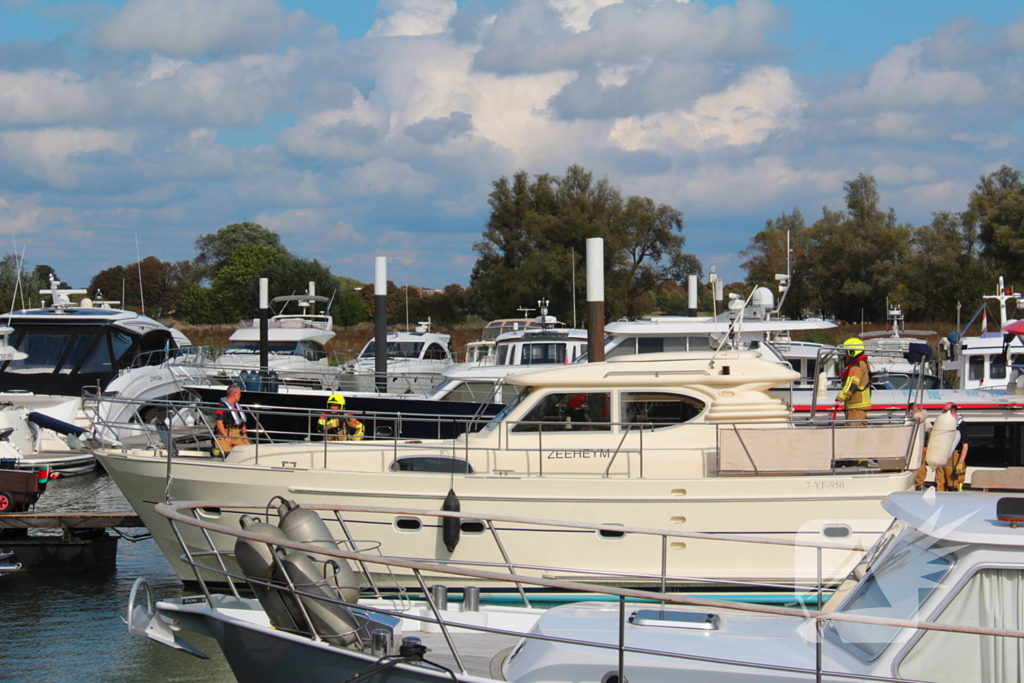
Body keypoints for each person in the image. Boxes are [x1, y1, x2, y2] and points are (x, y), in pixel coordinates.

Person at [915, 403, 970, 491]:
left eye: (945, 410)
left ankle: (952, 497)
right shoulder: (941, 422)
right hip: (940, 452)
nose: (943, 412)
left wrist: (960, 462)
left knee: (952, 481)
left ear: (953, 410)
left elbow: (965, 445)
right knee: (939, 480)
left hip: (953, 455)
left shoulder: (960, 425)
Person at [834, 338, 872, 426]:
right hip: (860, 405)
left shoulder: (856, 366)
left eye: (846, 352)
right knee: (860, 433)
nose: (845, 355)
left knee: (853, 433)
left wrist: (840, 399)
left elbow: (852, 383)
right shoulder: (863, 363)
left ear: (852, 352)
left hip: (856, 405)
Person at [213, 385, 248, 456]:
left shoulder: (237, 406)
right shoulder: (222, 406)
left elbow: (242, 422)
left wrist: (244, 434)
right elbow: (219, 423)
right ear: (234, 394)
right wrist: (226, 438)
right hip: (225, 433)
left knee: (248, 451)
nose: (240, 395)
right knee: (226, 454)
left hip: (237, 434)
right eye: (239, 393)